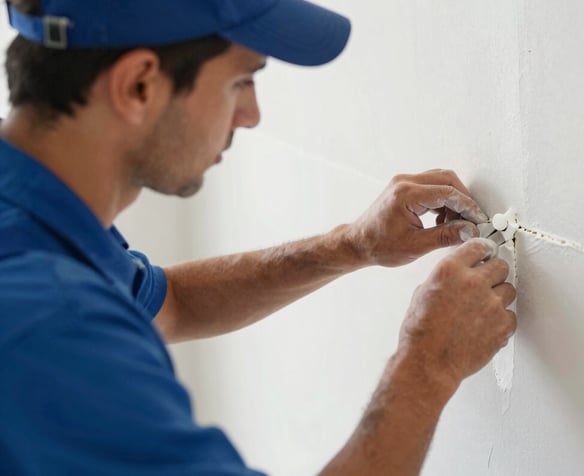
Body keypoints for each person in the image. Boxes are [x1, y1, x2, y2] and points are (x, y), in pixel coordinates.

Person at [0, 0, 517, 474]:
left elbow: (171, 305)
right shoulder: (50, 318)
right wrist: (427, 367)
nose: (252, 116)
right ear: (139, 84)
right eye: (241, 81)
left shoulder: (29, 215)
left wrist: (352, 245)